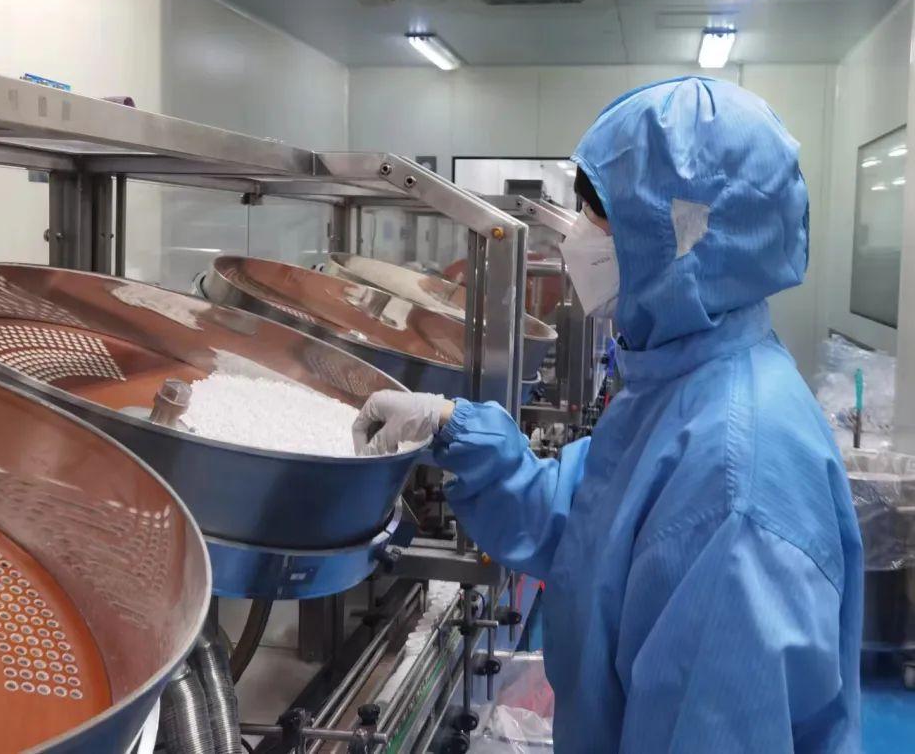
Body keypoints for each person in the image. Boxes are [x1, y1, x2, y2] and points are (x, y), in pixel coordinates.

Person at [352, 77, 863, 752]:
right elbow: (583, 520)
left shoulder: (733, 486)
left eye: (598, 216)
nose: (578, 238)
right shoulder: (681, 383)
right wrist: (454, 426)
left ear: (680, 234)